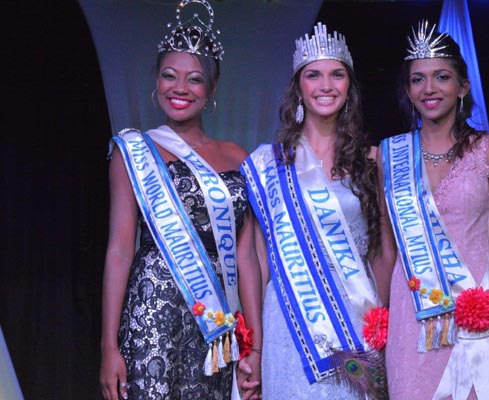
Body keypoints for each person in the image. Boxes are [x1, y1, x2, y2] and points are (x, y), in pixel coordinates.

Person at [99, 1, 262, 399]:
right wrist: (108, 347)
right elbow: (120, 250)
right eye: (169, 76)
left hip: (216, 320)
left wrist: (255, 347)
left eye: (195, 79)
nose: (180, 88)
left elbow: (246, 257)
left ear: (212, 89)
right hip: (153, 311)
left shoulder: (238, 157)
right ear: (156, 82)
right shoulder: (134, 151)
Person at [241, 22, 395, 400]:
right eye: (314, 75)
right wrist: (255, 347)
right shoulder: (267, 164)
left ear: (349, 86)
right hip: (290, 319)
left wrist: (382, 323)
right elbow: (256, 258)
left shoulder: (372, 159)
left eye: (336, 75)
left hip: (355, 315)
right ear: (298, 88)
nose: (326, 85)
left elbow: (383, 252)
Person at [381, 20, 489, 399]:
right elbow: (386, 252)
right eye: (418, 79)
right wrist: (376, 325)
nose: (429, 88)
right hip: (413, 317)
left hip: (477, 311)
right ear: (408, 90)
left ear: (463, 86)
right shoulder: (388, 156)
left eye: (442, 77)